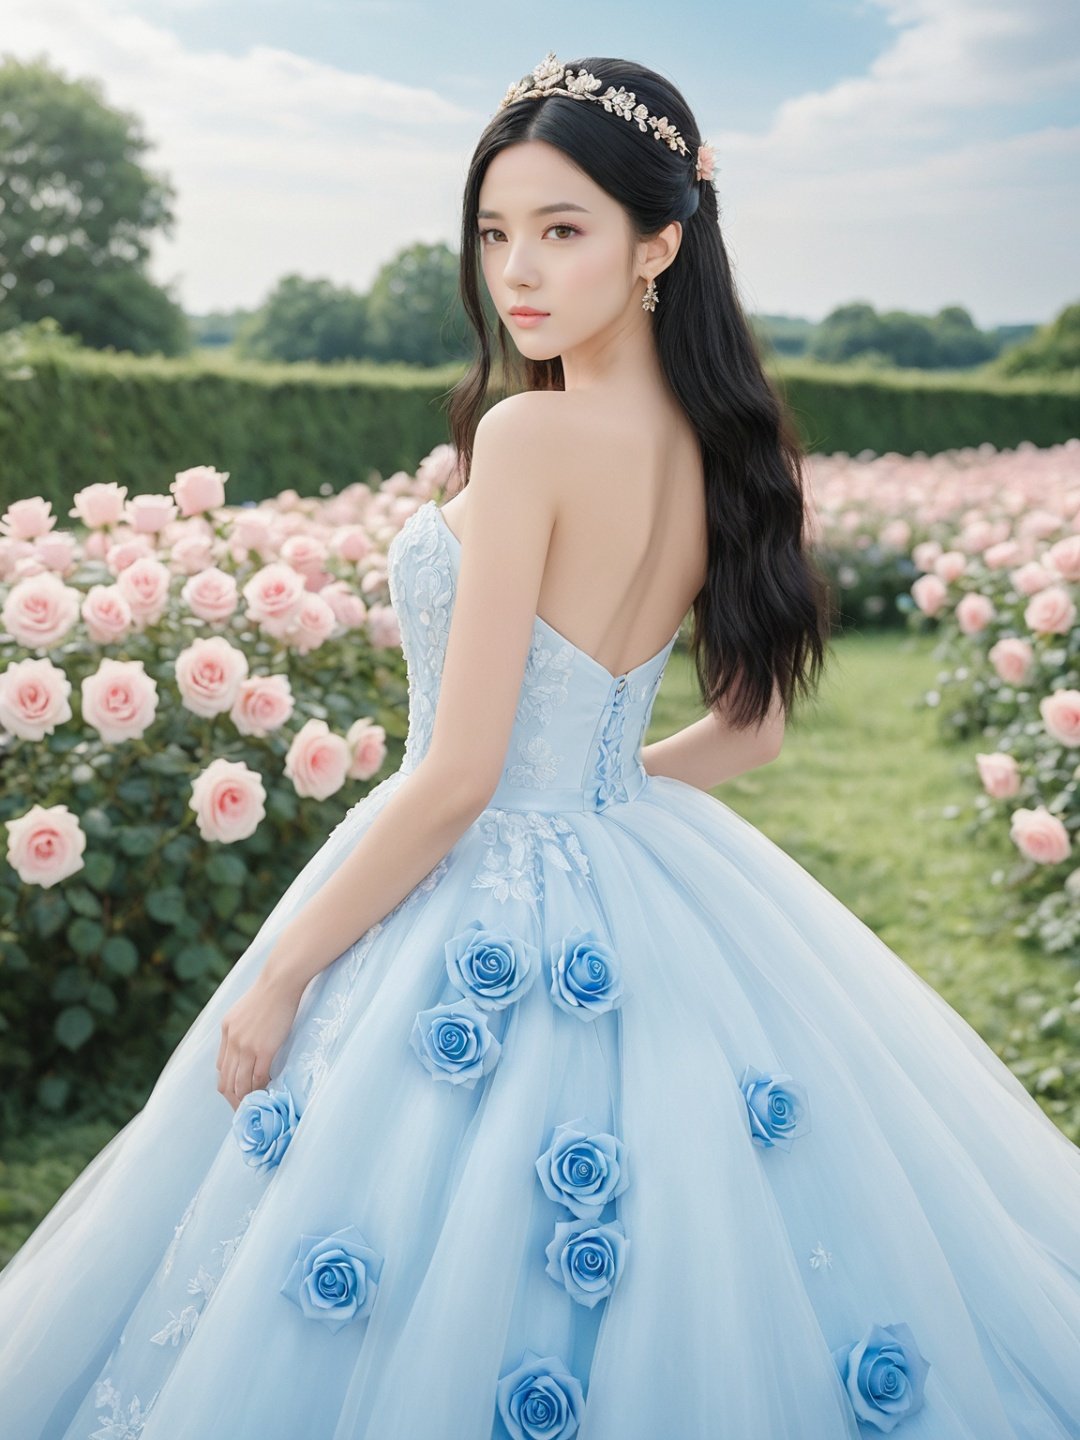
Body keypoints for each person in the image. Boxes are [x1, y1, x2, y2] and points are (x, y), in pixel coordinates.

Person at [1, 50, 1079, 1440]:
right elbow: (751, 729)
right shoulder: (733, 447)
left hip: (470, 872)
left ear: (661, 244)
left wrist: (283, 973)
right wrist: (599, 803)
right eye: (496, 231)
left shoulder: (529, 438)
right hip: (640, 869)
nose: (517, 269)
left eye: (563, 229)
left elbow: (458, 772)